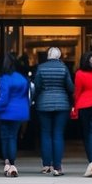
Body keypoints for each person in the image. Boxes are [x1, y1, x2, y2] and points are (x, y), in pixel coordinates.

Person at [33, 47, 74, 176]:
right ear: (59, 56)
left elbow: (37, 86)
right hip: (62, 104)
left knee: (45, 134)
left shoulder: (41, 68)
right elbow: (70, 87)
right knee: (58, 134)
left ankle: (46, 165)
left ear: (48, 55)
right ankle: (57, 167)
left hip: (44, 104)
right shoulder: (63, 68)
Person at [0, 53, 30, 177]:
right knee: (13, 137)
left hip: (6, 112)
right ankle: (13, 163)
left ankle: (7, 162)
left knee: (5, 137)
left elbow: (4, 97)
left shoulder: (4, 78)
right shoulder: (22, 78)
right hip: (20, 111)